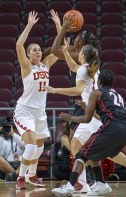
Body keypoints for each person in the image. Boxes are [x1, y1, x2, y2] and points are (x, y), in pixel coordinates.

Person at [52, 70, 126, 196]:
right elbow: (100, 116)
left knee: (81, 154)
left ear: (98, 82)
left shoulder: (96, 92)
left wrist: (70, 118)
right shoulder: (116, 94)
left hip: (112, 127)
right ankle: (102, 184)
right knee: (94, 154)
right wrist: (86, 108)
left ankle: (70, 186)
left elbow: (86, 119)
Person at [45, 37, 101, 192]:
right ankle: (81, 183)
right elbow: (74, 67)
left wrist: (55, 90)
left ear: (83, 55)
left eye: (80, 52)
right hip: (91, 111)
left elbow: (77, 90)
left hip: (93, 113)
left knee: (105, 152)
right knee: (76, 145)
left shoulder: (85, 69)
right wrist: (65, 52)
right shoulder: (91, 67)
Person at [13, 11, 58, 190]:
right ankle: (20, 178)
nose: (38, 52)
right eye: (34, 50)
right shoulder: (26, 67)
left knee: (39, 146)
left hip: (40, 112)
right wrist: (30, 24)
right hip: (24, 111)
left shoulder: (45, 65)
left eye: (39, 49)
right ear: (29, 55)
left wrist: (58, 25)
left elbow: (58, 47)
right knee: (31, 145)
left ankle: (32, 175)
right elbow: (18, 44)